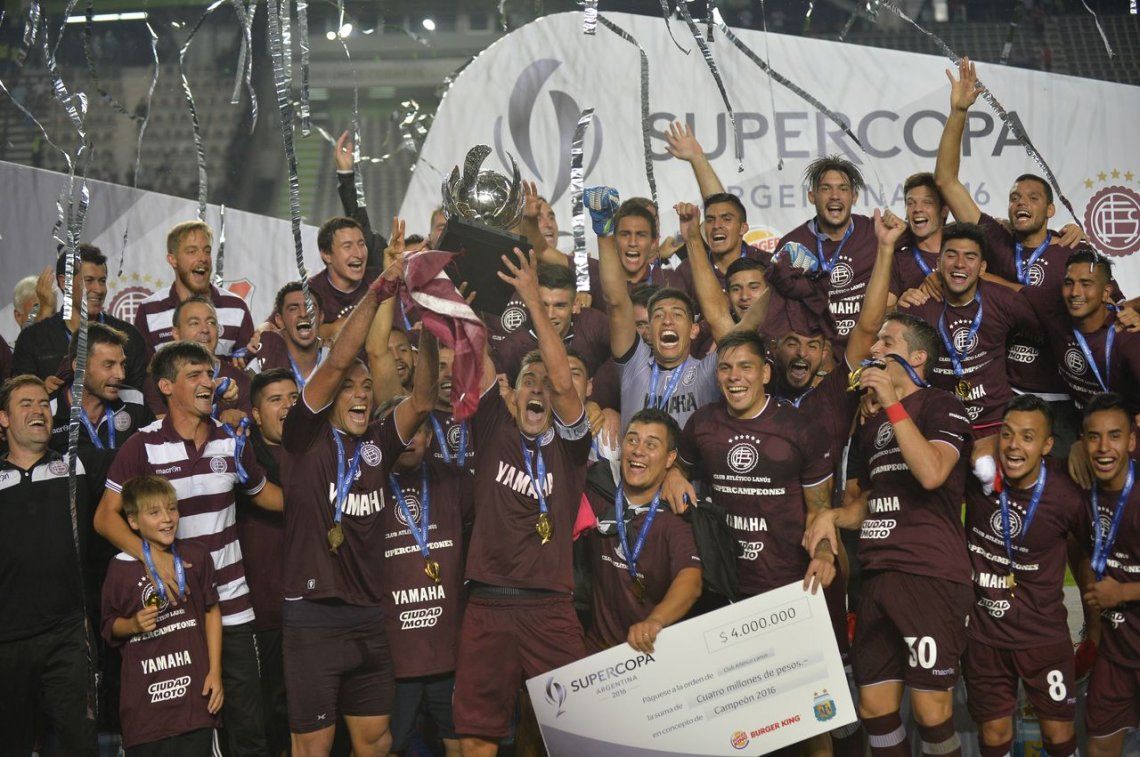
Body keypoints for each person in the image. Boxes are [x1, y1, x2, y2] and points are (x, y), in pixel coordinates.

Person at [278, 262, 437, 755]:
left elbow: (423, 401)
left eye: (367, 387)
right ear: (329, 397)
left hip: (368, 614)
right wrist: (378, 292)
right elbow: (335, 363)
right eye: (349, 388)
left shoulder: (379, 444)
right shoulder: (303, 437)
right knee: (313, 747)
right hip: (313, 614)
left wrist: (431, 330)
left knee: (375, 743)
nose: (362, 394)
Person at [96, 340, 283, 756]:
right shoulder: (142, 445)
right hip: (179, 614)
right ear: (166, 386)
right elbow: (105, 517)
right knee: (192, 733)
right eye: (194, 375)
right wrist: (153, 559)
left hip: (232, 606)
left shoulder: (230, 439)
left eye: (209, 374)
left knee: (250, 731)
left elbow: (264, 494)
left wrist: (318, 503)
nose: (207, 382)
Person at [805, 312, 972, 757]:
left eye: (886, 342)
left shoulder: (941, 405)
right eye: (875, 342)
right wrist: (833, 517)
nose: (874, 349)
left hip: (927, 574)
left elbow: (932, 473)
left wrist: (893, 404)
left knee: (931, 713)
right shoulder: (873, 423)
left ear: (917, 357)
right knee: (875, 709)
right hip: (876, 575)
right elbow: (870, 501)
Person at [452, 248, 592, 757]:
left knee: (579, 737)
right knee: (477, 738)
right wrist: (458, 311)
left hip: (550, 608)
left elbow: (562, 382)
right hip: (487, 603)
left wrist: (534, 299)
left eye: (546, 384)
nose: (539, 389)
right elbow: (478, 361)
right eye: (527, 381)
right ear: (511, 395)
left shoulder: (571, 447)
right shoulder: (493, 425)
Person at [935, 57, 1088, 451]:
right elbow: (946, 181)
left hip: (1064, 396)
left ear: (1050, 210)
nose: (1021, 202)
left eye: (1033, 198)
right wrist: (959, 111)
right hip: (1009, 398)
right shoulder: (995, 238)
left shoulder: (1071, 249)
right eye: (1015, 197)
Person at [961, 396, 1083, 757]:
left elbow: (1089, 549)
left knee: (1059, 735)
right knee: (994, 734)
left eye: (1028, 437)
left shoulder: (1066, 491)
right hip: (985, 635)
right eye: (1007, 434)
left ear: (1047, 445)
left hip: (1043, 636)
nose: (1014, 446)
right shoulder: (976, 475)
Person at [0, 375, 102, 754]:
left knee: (81, 744)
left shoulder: (77, 466)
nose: (39, 410)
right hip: (6, 640)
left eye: (44, 403)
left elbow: (137, 457)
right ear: (3, 419)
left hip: (68, 634)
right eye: (26, 404)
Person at [596, 195, 757, 432]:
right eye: (658, 315)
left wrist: (692, 238)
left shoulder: (707, 371)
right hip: (636, 456)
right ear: (649, 329)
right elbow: (616, 304)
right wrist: (604, 233)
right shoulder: (635, 366)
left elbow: (717, 315)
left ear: (694, 329)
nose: (668, 320)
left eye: (678, 315)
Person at [101, 475, 223, 755]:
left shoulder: (196, 556)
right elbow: (108, 627)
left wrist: (215, 672)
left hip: (196, 704)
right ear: (133, 521)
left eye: (172, 508)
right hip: (145, 714)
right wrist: (132, 624)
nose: (167, 519)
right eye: (154, 512)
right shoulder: (119, 569)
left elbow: (212, 611)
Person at [380, 402, 473, 757]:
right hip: (393, 652)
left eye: (416, 431)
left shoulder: (453, 480)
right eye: (401, 431)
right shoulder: (368, 483)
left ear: (430, 437)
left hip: (447, 649)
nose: (409, 439)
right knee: (388, 746)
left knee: (460, 742)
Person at [898, 222, 1039, 440]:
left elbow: (1049, 332)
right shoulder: (918, 306)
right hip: (941, 422)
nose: (960, 264)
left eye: (970, 257)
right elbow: (891, 356)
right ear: (938, 263)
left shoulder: (1004, 301)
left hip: (996, 421)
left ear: (982, 267)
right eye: (951, 255)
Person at [583, 408, 702, 652]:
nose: (638, 450)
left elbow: (691, 579)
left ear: (670, 458)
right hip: (595, 651)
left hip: (651, 652)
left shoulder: (676, 513)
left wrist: (654, 621)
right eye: (632, 440)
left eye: (651, 444)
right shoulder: (597, 490)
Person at [236, 368, 299, 754]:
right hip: (266, 611)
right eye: (276, 400)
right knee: (272, 713)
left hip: (314, 608)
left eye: (293, 398)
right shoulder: (243, 454)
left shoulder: (320, 450)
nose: (288, 406)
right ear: (256, 414)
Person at [1080, 393, 1140, 757]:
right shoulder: (1082, 492)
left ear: (1132, 441)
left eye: (1115, 436)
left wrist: (1123, 593)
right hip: (1115, 653)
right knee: (1100, 746)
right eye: (1094, 437)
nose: (1104, 448)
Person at [13, 245, 147, 389]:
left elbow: (139, 397)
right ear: (65, 283)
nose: (99, 289)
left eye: (102, 281)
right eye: (88, 280)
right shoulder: (31, 339)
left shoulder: (129, 337)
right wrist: (41, 392)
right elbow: (17, 395)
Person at [133, 221, 255, 360]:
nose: (203, 258)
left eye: (207, 251)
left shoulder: (237, 307)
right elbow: (145, 370)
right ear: (173, 260)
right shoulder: (149, 309)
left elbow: (246, 366)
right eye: (192, 252)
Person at [494, 262, 611, 382]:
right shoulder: (513, 347)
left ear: (575, 304)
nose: (550, 315)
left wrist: (598, 389)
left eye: (559, 306)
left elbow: (622, 359)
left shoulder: (595, 323)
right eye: (543, 305)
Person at [49, 322, 153, 455]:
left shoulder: (136, 401)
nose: (121, 375)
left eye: (122, 364)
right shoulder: (49, 413)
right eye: (108, 365)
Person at [143, 297, 251, 422]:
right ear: (176, 333)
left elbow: (248, 424)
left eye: (211, 323)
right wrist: (213, 393)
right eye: (194, 323)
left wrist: (240, 420)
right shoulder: (158, 380)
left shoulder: (241, 380)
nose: (205, 329)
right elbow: (166, 429)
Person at [307, 216, 379, 339]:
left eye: (361, 244)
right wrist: (330, 330)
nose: (359, 254)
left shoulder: (381, 280)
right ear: (326, 255)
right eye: (347, 246)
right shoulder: (309, 292)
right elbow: (277, 332)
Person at [247, 282, 328, 390]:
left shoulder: (338, 360)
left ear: (321, 317)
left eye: (310, 307)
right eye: (293, 308)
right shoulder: (259, 367)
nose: (303, 314)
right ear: (280, 320)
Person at [889, 173, 949, 297]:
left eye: (927, 202)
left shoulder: (962, 255)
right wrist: (899, 305)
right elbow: (883, 308)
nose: (917, 209)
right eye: (911, 203)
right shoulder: (898, 261)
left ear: (944, 211)